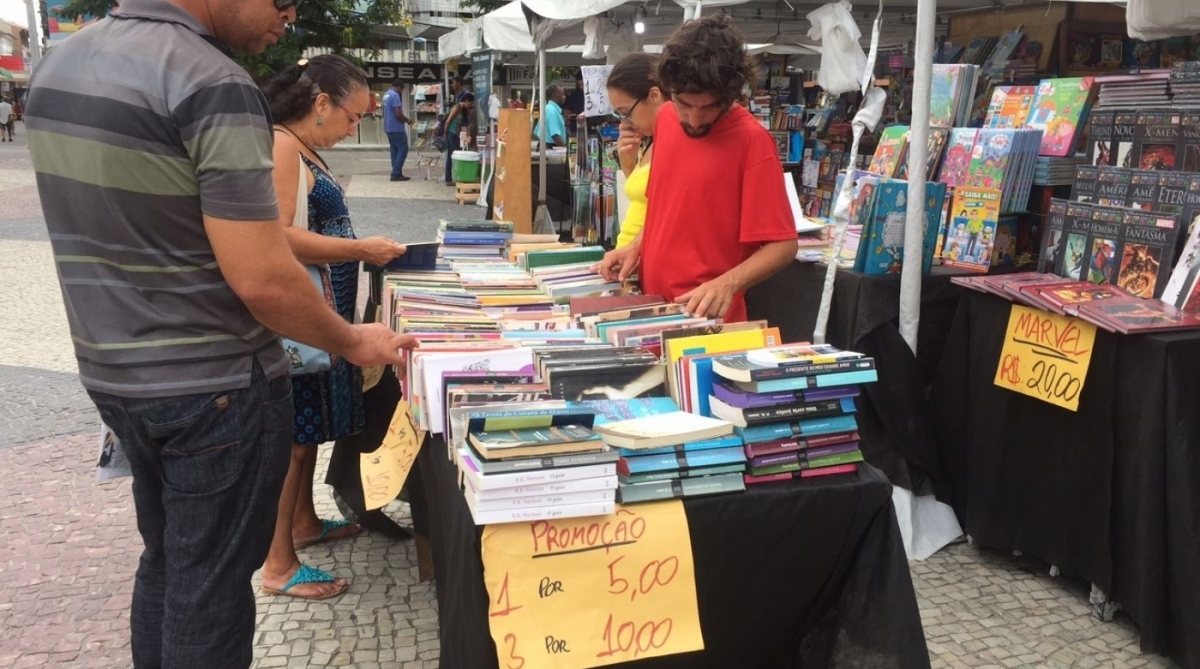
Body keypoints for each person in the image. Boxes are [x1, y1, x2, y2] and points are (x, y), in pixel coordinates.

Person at [23, 1, 417, 667]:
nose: (287, 19)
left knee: (172, 564)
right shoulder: (211, 80)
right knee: (208, 589)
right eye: (282, 2)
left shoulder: (60, 66)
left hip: (114, 371)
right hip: (214, 382)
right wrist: (351, 342)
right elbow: (263, 273)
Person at [260, 55, 408, 600]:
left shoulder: (302, 149)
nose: (354, 128)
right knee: (294, 442)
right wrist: (358, 248)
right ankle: (278, 562)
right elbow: (276, 235)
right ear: (321, 103)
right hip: (302, 318)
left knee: (306, 435)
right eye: (352, 117)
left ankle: (303, 524)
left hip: (322, 312)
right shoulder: (281, 145)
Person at [597, 15, 798, 321]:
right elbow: (665, 206)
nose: (693, 119)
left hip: (707, 321)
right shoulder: (665, 118)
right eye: (683, 104)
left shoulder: (752, 141)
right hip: (653, 307)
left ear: (731, 95)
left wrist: (728, 284)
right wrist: (637, 247)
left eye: (707, 107)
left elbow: (783, 245)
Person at [606, 53, 668, 249]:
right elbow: (646, 198)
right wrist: (627, 163)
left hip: (644, 259)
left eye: (626, 112)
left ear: (654, 96)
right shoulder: (652, 141)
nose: (624, 122)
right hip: (631, 260)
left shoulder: (673, 141)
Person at [382, 78, 413, 181]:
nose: (401, 91)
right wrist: (407, 120)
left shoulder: (386, 95)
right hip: (397, 128)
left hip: (388, 127)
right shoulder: (395, 95)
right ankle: (395, 173)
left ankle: (396, 172)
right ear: (399, 87)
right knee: (403, 149)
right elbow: (398, 113)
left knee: (394, 150)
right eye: (402, 89)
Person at [440, 76, 469, 185]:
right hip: (455, 131)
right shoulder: (458, 100)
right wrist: (445, 133)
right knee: (453, 154)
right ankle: (450, 178)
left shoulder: (464, 96)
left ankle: (453, 177)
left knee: (456, 154)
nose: (452, 85)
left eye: (453, 83)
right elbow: (450, 119)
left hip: (459, 130)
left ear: (459, 83)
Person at [534, 84, 568, 148]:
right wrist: (564, 149)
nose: (564, 97)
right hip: (551, 148)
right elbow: (555, 135)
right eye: (562, 94)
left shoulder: (549, 108)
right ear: (553, 95)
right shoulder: (552, 111)